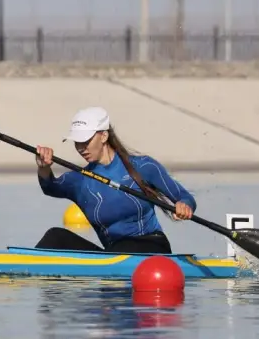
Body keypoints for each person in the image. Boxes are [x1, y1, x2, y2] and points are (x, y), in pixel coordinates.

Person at [33, 106, 196, 254]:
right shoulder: (79, 180)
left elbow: (184, 197)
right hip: (113, 253)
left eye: (86, 141)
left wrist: (184, 206)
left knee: (122, 249)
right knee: (55, 237)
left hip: (151, 246)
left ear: (104, 136)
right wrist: (44, 167)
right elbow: (50, 187)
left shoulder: (143, 166)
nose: (81, 148)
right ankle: (21, 268)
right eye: (77, 142)